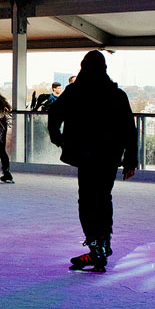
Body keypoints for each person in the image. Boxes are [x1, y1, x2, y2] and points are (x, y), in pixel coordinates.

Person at [47, 50, 137, 273]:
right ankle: (101, 249)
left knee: (87, 201)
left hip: (86, 155)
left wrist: (58, 138)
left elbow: (54, 114)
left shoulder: (76, 92)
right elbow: (129, 130)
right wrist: (130, 161)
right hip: (108, 156)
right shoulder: (117, 95)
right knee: (103, 199)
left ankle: (96, 248)